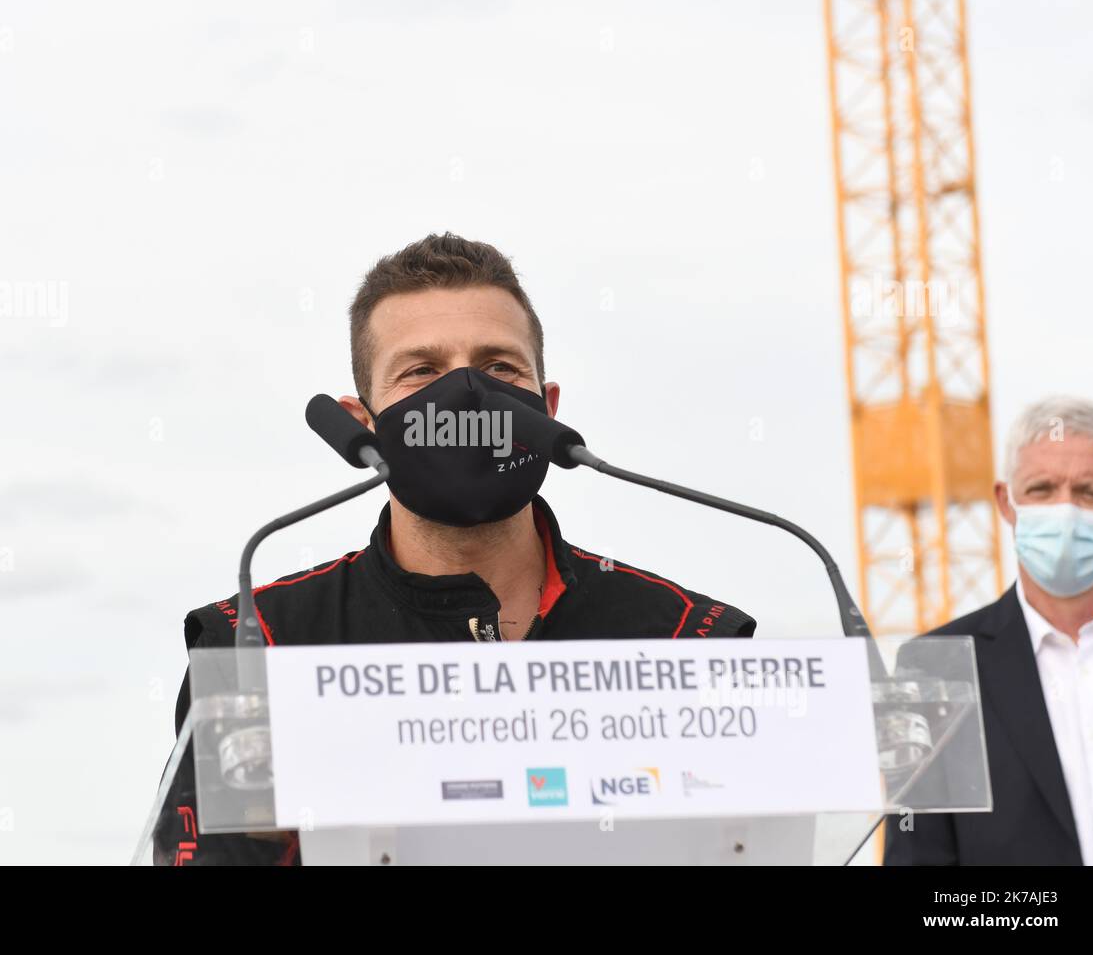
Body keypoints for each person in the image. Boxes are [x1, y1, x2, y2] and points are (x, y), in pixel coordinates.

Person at [154, 232, 756, 865]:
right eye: (421, 371)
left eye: (500, 366)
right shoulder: (260, 646)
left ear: (548, 408)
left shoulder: (689, 641)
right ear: (363, 426)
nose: (468, 395)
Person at [884, 395, 1093, 865]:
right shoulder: (933, 668)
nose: (1065, 511)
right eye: (1043, 489)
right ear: (1006, 503)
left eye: (1090, 493)